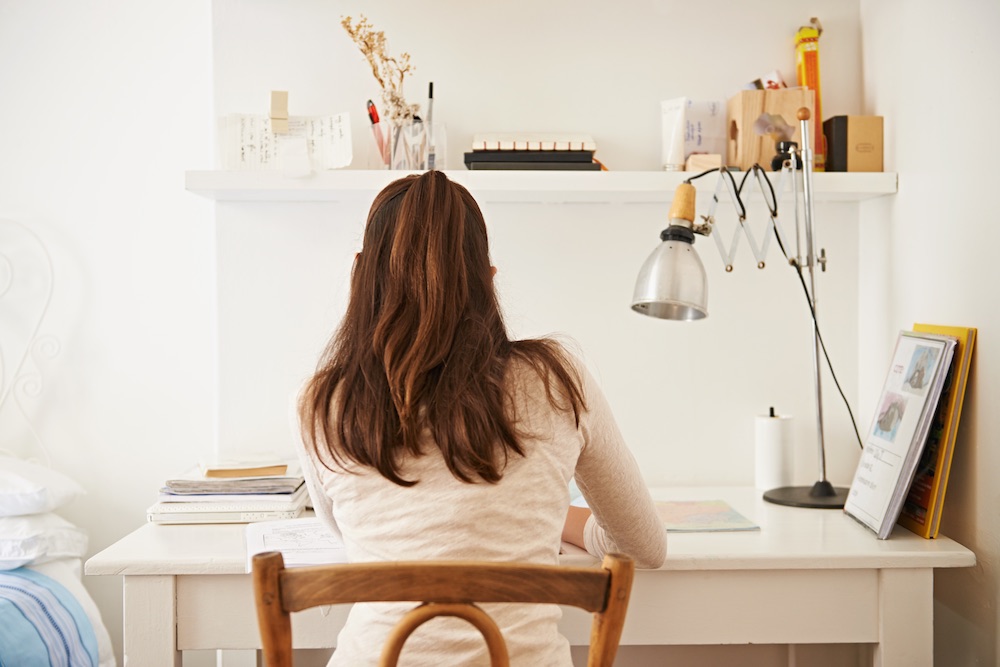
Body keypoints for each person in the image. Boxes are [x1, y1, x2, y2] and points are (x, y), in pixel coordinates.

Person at [295, 170, 665, 666]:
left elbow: (352, 535)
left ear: (358, 273)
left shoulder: (324, 402)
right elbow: (643, 547)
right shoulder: (557, 380)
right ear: (489, 279)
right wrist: (538, 522)